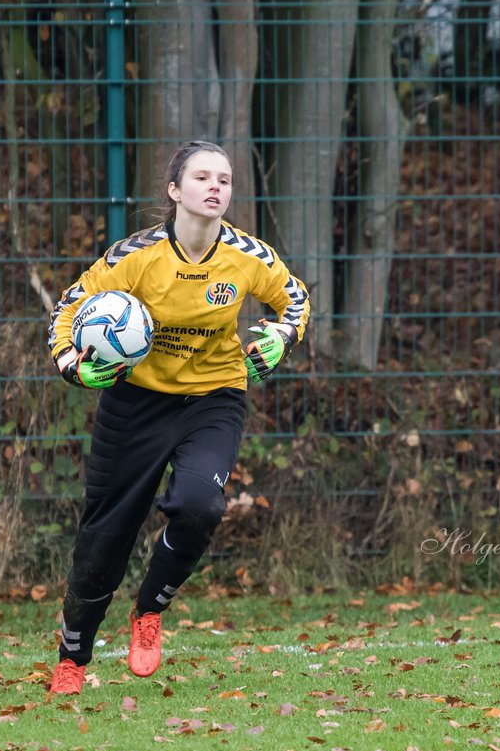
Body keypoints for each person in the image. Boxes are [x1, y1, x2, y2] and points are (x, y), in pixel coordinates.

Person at [43, 140, 310, 696]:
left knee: (199, 505)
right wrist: (72, 363)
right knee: (103, 540)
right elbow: (69, 306)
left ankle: (149, 608)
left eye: (225, 179)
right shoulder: (134, 257)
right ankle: (72, 660)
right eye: (202, 177)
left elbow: (296, 299)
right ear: (174, 191)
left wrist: (282, 337)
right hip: (135, 403)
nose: (216, 187)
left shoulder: (246, 256)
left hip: (214, 399)